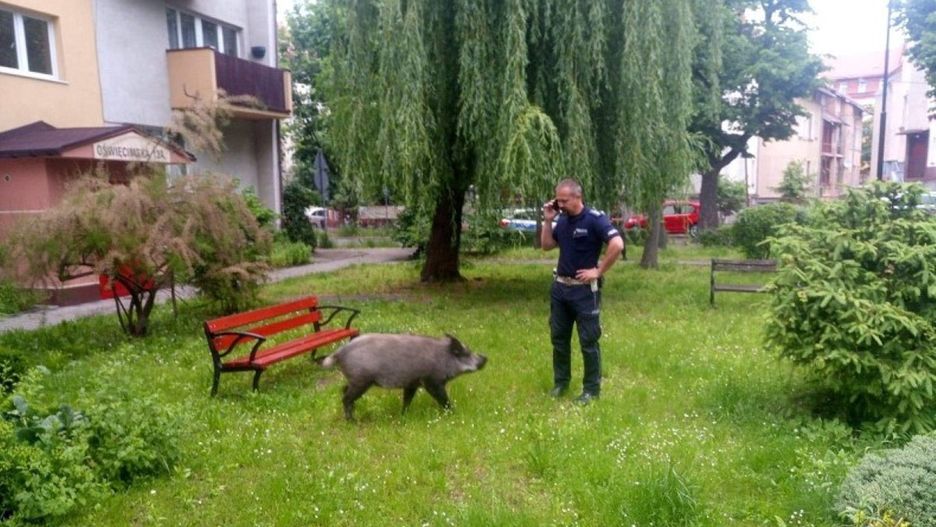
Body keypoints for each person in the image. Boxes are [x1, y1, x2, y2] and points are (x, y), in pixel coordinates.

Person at [540, 179, 624, 405]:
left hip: (585, 292)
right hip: (560, 288)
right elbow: (547, 245)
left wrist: (598, 270)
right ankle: (561, 383)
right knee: (559, 339)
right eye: (558, 199)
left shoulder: (595, 219)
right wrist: (548, 221)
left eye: (564, 200)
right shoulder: (563, 220)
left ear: (578, 197)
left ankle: (591, 390)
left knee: (588, 341)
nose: (560, 204)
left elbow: (617, 244)